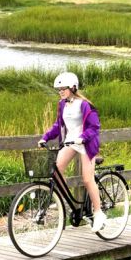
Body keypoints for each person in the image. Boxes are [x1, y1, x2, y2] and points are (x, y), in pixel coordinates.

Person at [38, 71, 106, 233]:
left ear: (73, 88)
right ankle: (66, 202)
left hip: (86, 143)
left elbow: (94, 127)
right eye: (59, 89)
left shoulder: (84, 104)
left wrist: (83, 137)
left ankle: (98, 213)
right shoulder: (62, 104)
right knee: (56, 172)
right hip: (70, 142)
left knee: (87, 179)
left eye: (63, 88)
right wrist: (45, 137)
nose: (60, 91)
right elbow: (58, 125)